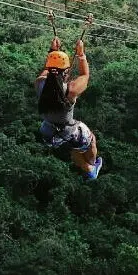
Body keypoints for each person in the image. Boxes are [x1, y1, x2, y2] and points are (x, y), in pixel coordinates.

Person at [35, 36, 102, 180]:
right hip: (67, 131)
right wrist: (81, 54)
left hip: (48, 133)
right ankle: (90, 167)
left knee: (74, 144)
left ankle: (82, 160)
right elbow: (85, 75)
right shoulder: (70, 90)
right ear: (65, 71)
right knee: (89, 139)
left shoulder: (40, 83)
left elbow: (48, 70)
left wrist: (53, 52)